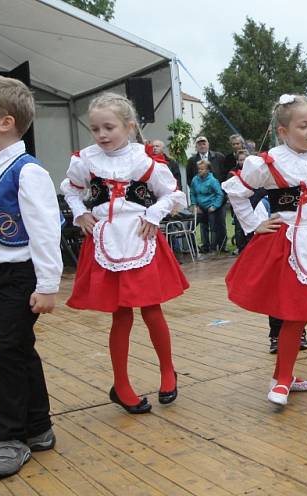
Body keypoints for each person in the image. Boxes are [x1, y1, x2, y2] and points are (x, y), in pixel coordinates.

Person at [61, 93, 189, 415]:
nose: (102, 134)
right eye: (95, 129)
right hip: (106, 240)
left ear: (129, 127)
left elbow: (173, 195)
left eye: (109, 127)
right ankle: (121, 384)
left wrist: (153, 215)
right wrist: (80, 213)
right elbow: (71, 189)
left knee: (151, 309)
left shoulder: (144, 160)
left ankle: (167, 372)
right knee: (120, 314)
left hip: (139, 238)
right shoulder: (86, 160)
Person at [0, 75, 63, 480]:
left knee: (5, 354)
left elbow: (45, 230)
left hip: (22, 277)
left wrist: (47, 285)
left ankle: (11, 438)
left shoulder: (27, 171)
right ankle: (38, 428)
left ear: (5, 122)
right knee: (19, 349)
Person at [222, 94, 307, 406]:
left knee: (299, 314)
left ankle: (283, 375)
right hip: (284, 241)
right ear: (283, 131)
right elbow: (237, 191)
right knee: (292, 312)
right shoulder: (269, 162)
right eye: (303, 125)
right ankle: (284, 379)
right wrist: (253, 224)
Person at [189, 159, 226, 253]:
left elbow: (220, 194)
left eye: (202, 169)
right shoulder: (194, 180)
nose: (199, 171)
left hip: (211, 207)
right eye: (198, 169)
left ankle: (213, 248)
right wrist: (194, 205)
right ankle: (204, 246)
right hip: (200, 207)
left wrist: (214, 206)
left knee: (213, 227)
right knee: (200, 226)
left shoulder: (213, 181)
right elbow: (192, 193)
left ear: (208, 170)